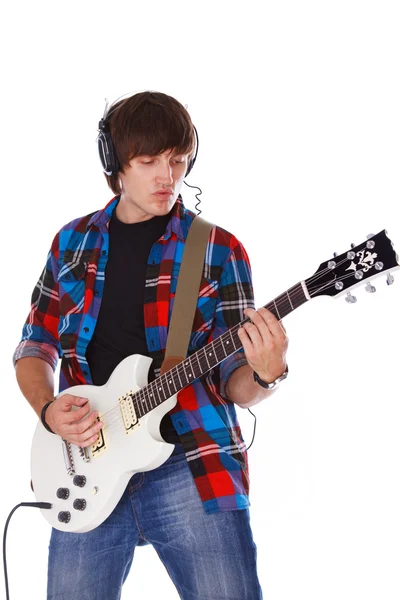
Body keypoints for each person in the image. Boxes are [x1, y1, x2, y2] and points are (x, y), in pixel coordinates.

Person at [13, 90, 288, 599]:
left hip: (191, 463)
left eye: (178, 160)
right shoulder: (71, 243)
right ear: (114, 164)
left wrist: (267, 372)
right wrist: (49, 410)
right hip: (86, 466)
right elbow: (35, 346)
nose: (168, 176)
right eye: (149, 161)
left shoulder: (217, 250)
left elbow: (235, 382)